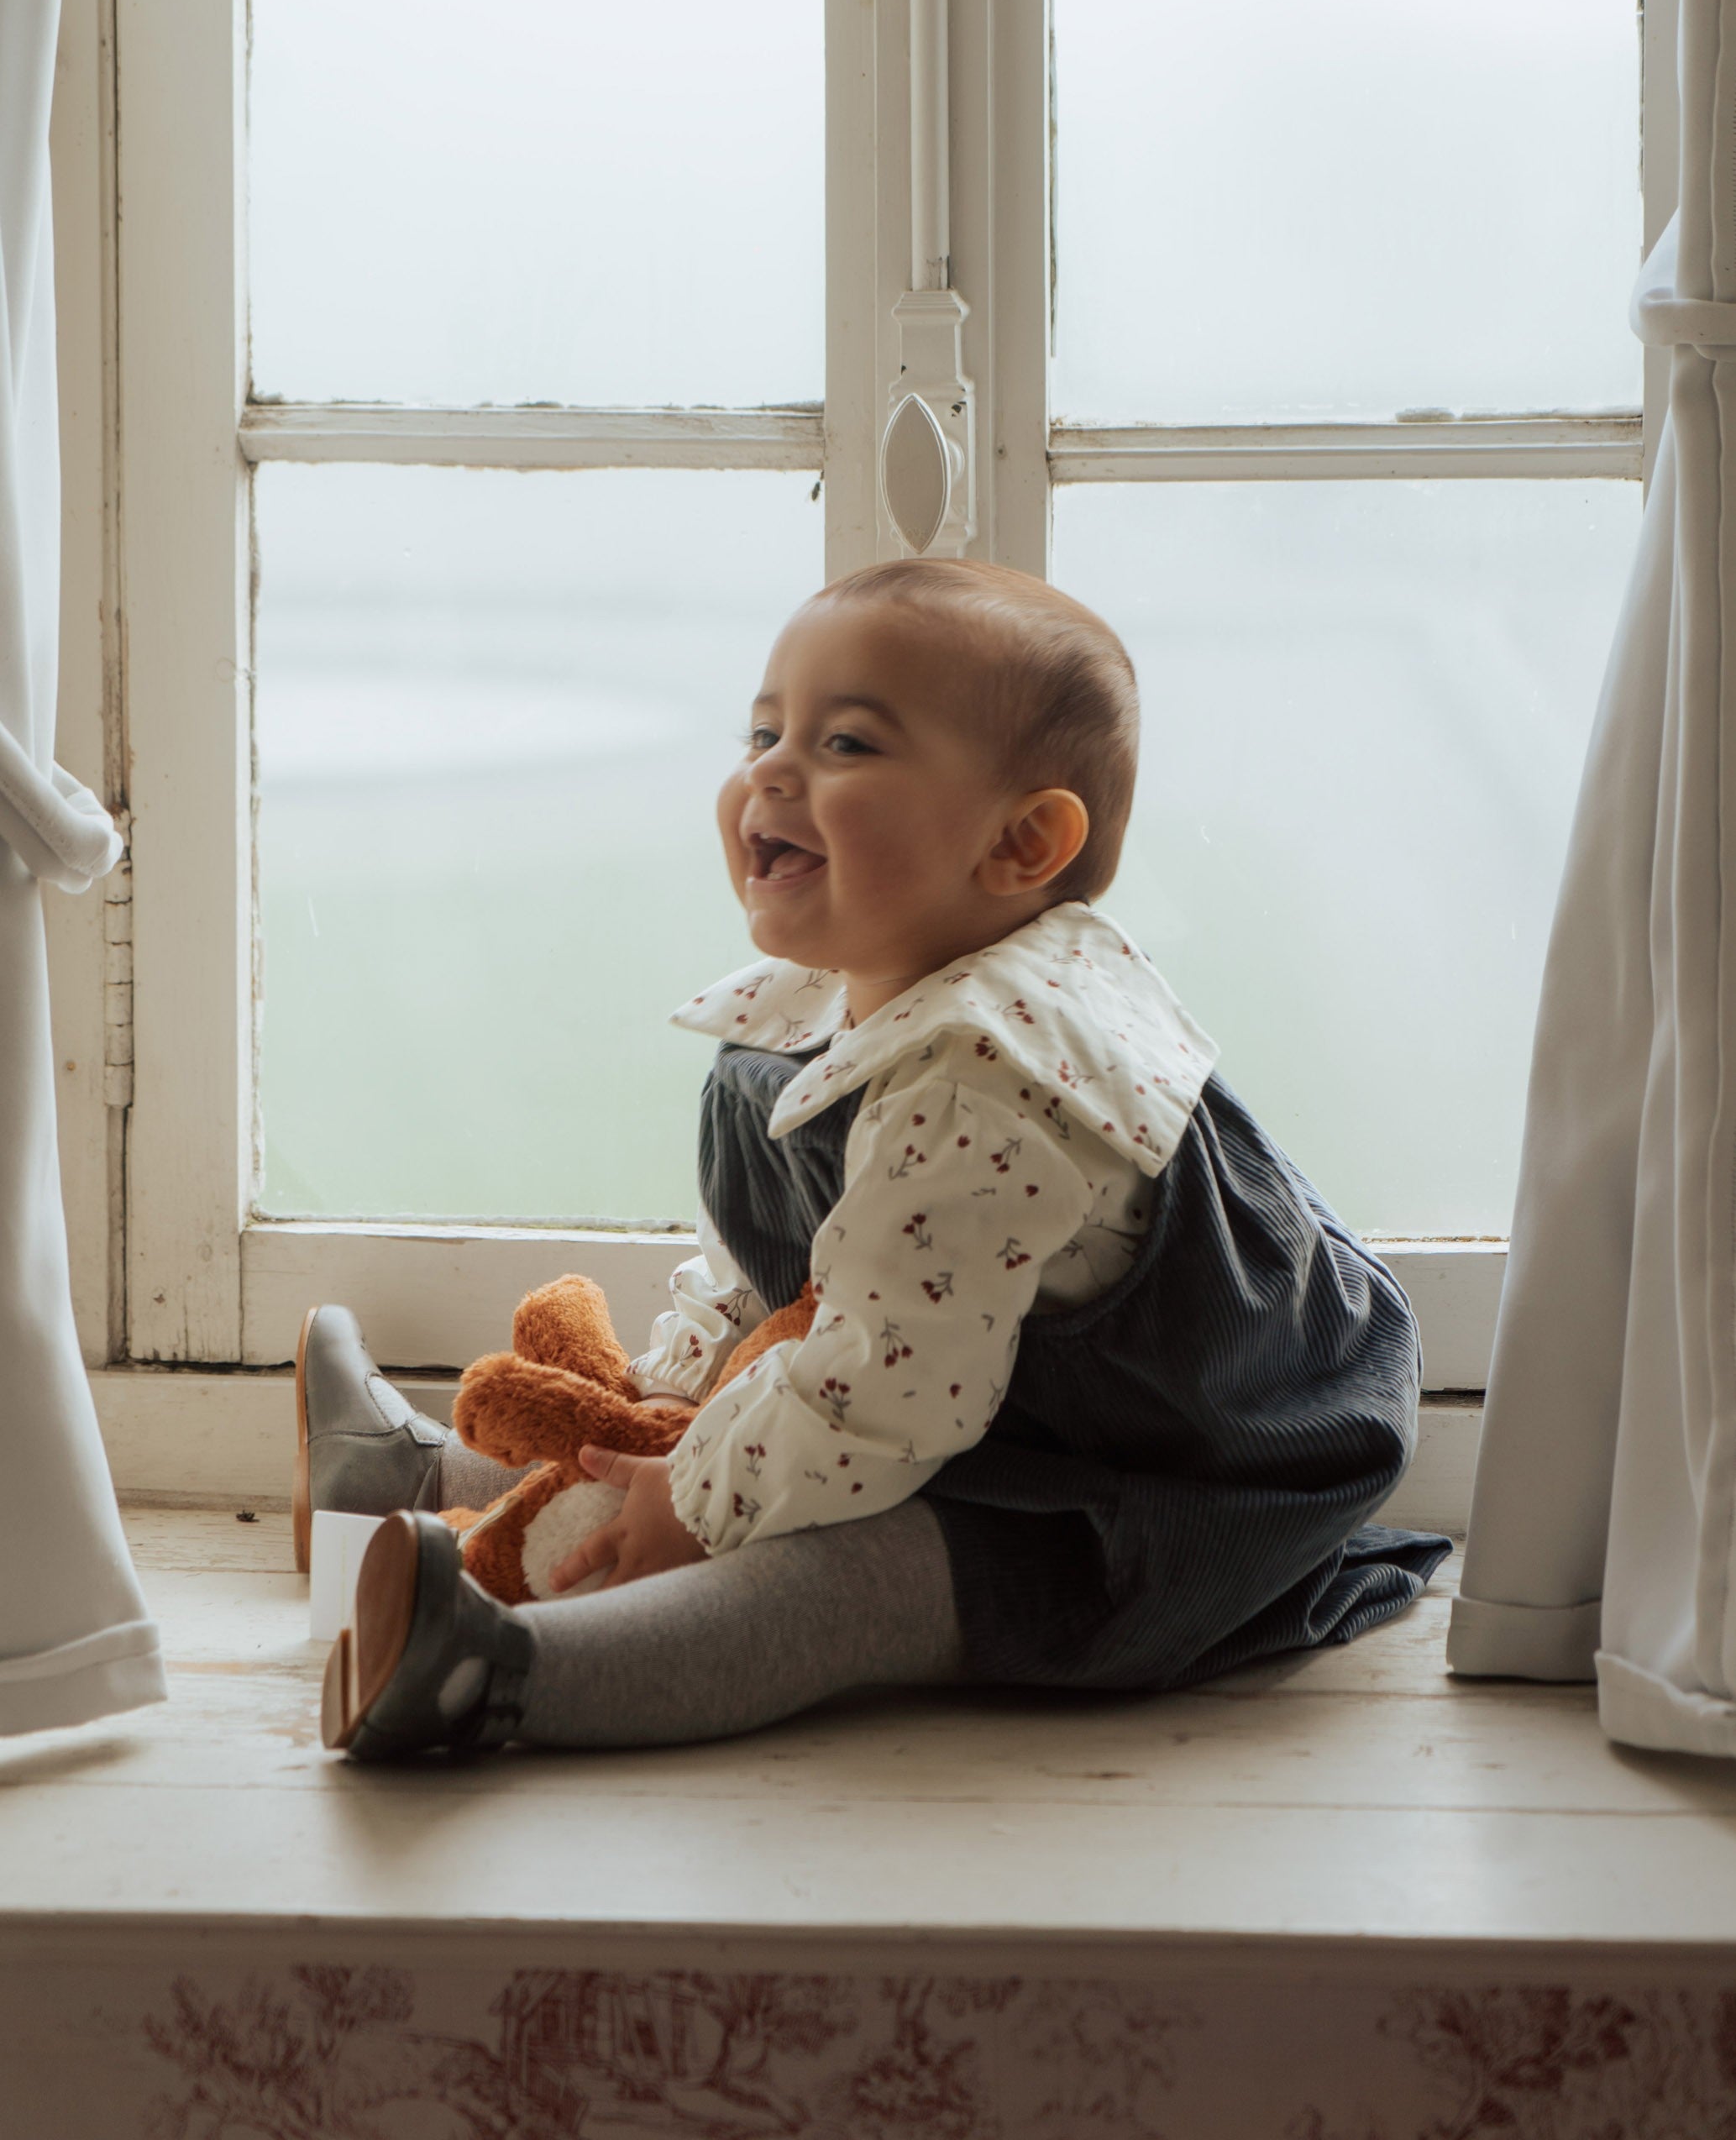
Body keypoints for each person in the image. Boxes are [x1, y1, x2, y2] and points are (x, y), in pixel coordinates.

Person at [307, 559, 1449, 1763]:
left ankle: (501, 1675)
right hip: (966, 1384)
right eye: (763, 731)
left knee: (852, 1573)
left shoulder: (986, 1091)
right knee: (712, 1446)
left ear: (1020, 842)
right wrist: (670, 1409)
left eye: (845, 744)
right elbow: (774, 1288)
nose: (770, 772)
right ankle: (411, 1475)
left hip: (1181, 1473)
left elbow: (876, 1405)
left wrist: (696, 1502)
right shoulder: (829, 997)